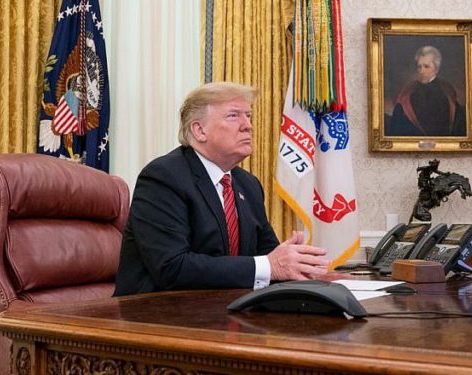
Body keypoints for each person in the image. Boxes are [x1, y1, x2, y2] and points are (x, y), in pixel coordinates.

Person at [114, 82, 329, 296]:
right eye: (234, 116)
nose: (248, 125)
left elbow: (267, 256)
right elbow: (173, 268)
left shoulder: (249, 185)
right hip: (152, 317)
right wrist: (271, 266)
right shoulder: (163, 177)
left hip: (223, 312)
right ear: (199, 130)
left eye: (248, 115)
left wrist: (296, 264)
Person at [388, 46, 466, 137]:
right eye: (419, 67)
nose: (421, 71)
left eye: (426, 66)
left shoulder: (448, 95)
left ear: (436, 69)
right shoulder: (407, 95)